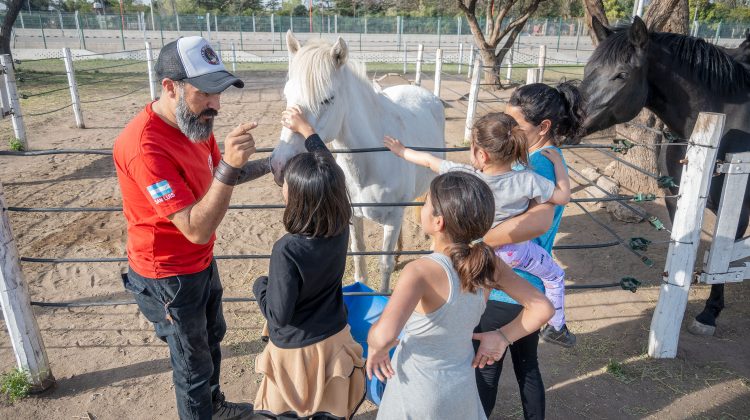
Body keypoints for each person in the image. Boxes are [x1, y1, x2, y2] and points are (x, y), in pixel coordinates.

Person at [114, 36, 271, 420]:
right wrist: (231, 166)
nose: (216, 105)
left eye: (219, 93)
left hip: (198, 261)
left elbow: (220, 176)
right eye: (206, 93)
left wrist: (273, 162)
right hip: (168, 273)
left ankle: (213, 407)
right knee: (192, 366)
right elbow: (195, 228)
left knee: (212, 335)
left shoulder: (195, 123)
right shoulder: (145, 146)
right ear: (170, 87)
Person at [366, 171, 554, 420]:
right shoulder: (490, 264)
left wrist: (374, 346)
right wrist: (502, 337)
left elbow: (385, 335)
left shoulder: (419, 271)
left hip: (416, 391)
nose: (422, 207)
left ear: (438, 222)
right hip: (461, 391)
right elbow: (543, 308)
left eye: (426, 204)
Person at [384, 112, 572, 343]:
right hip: (513, 251)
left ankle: (466, 323)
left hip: (473, 244)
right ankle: (556, 326)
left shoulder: (466, 176)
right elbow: (562, 197)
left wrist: (402, 151)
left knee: (477, 289)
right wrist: (558, 165)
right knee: (554, 275)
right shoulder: (528, 180)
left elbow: (430, 161)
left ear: (481, 155)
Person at [475, 82, 587, 419]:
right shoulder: (546, 159)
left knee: (484, 370)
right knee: (528, 368)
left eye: (515, 126)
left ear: (543, 127)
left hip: (506, 286)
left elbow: (527, 226)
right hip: (533, 284)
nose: (508, 132)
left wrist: (472, 241)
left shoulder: (534, 168)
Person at [252, 106, 366, 419]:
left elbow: (278, 315)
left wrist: (260, 285)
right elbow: (330, 172)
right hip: (334, 338)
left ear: (298, 196)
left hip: (296, 351)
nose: (283, 185)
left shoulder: (287, 250)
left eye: (287, 182)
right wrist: (308, 132)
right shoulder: (341, 226)